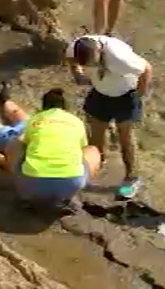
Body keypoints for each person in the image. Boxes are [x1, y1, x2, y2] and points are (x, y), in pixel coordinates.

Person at [0, 83, 101, 207]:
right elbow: (80, 151)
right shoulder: (76, 122)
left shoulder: (35, 120)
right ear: (64, 108)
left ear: (43, 108)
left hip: (29, 186)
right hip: (70, 185)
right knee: (92, 150)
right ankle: (4, 99)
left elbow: (22, 141)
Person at [65, 35, 153, 198]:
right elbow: (70, 59)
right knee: (95, 136)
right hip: (100, 93)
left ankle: (132, 177)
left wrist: (139, 95)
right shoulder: (74, 48)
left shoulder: (119, 57)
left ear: (99, 53)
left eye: (92, 64)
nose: (90, 67)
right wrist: (78, 74)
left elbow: (146, 69)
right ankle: (94, 168)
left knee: (125, 139)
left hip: (125, 95)